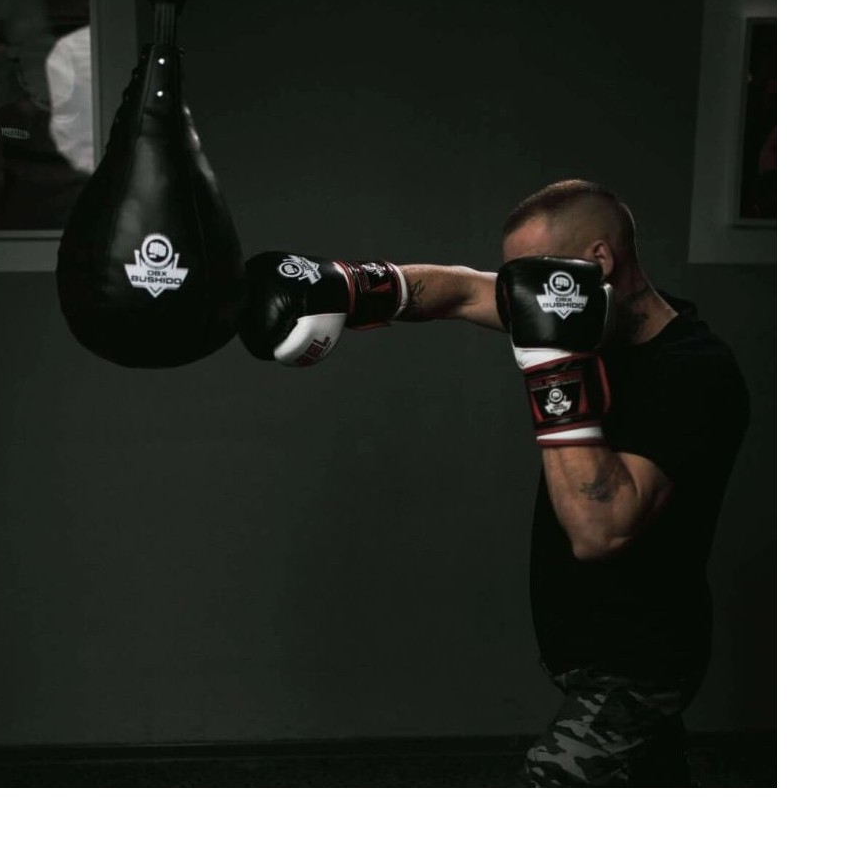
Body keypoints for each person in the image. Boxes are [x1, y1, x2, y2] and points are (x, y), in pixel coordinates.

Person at [239, 179, 750, 787]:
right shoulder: (583, 314)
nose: (519, 295)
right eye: (514, 280)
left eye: (533, 275)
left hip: (642, 660)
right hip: (590, 646)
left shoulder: (695, 373)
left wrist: (553, 368)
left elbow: (601, 529)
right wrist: (352, 287)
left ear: (599, 260)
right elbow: (458, 292)